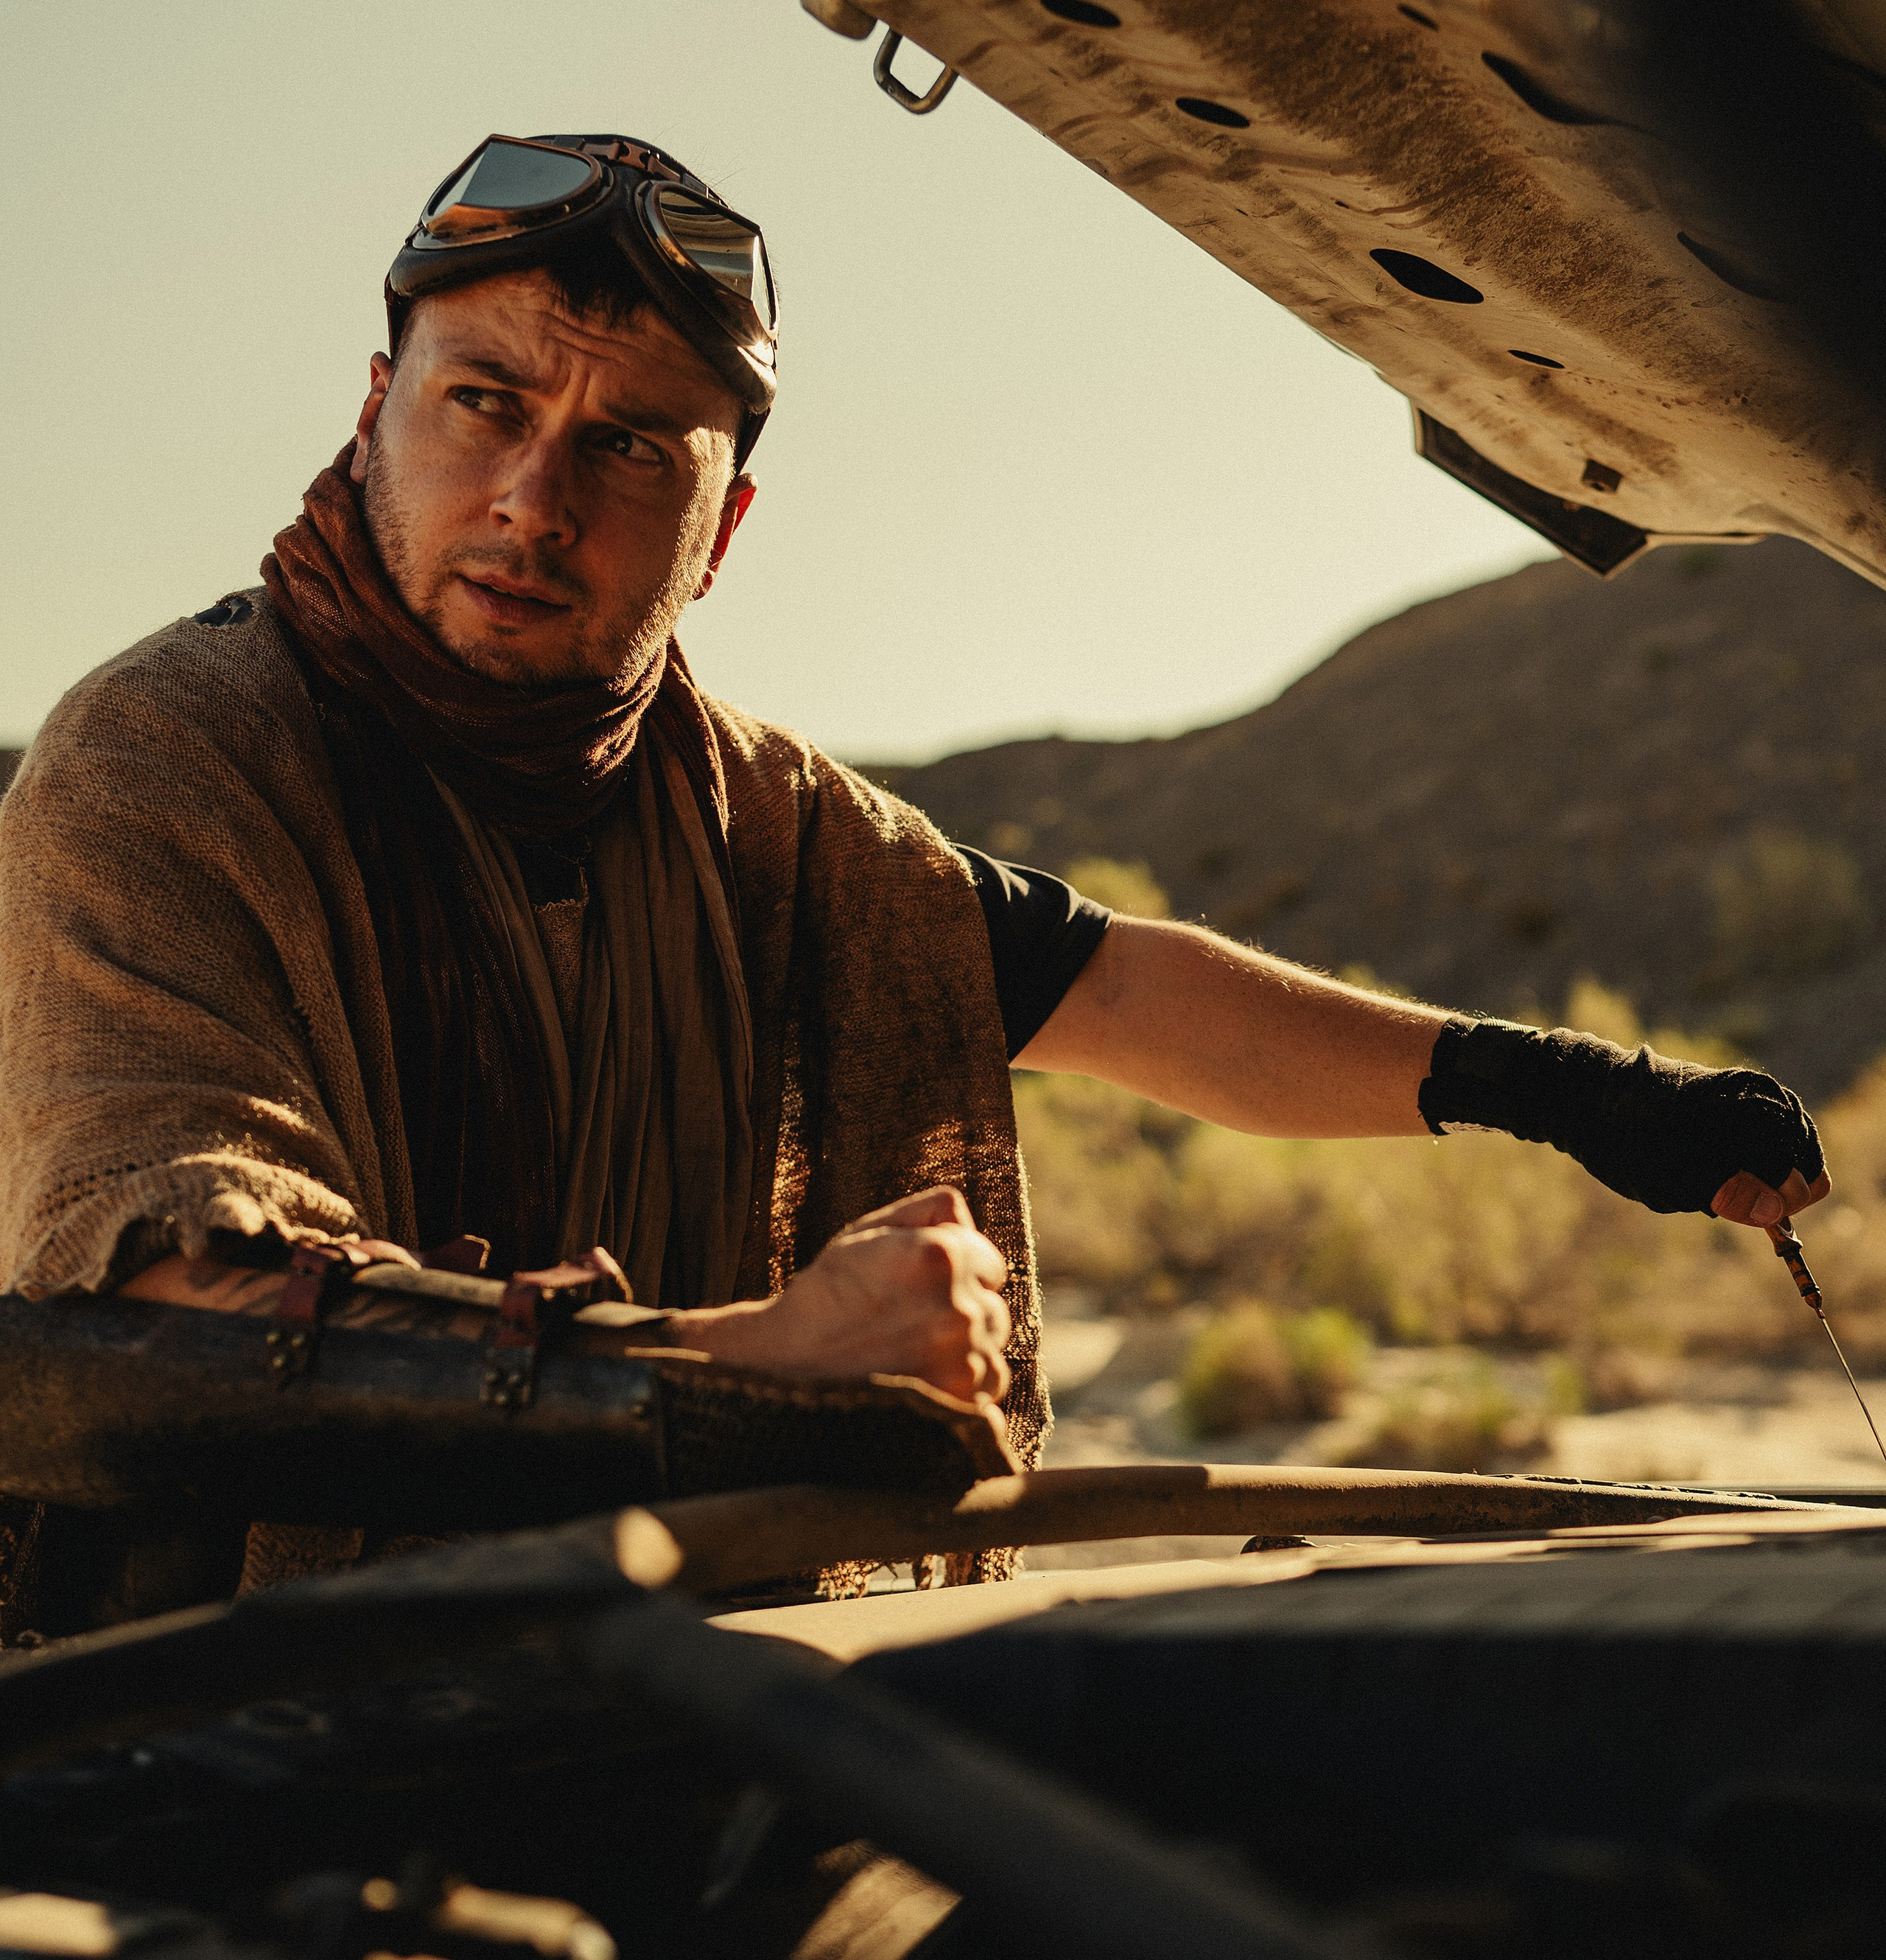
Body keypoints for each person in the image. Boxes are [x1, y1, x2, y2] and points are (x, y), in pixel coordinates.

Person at [0, 130, 1829, 1597]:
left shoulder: (767, 824)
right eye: (484, 402)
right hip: (181, 1741)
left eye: (627, 447)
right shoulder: (172, 755)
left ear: (719, 530)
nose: (534, 500)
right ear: (377, 404)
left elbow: (1116, 987)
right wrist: (745, 1370)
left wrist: (1573, 1092)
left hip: (650, 1698)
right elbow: (160, 1303)